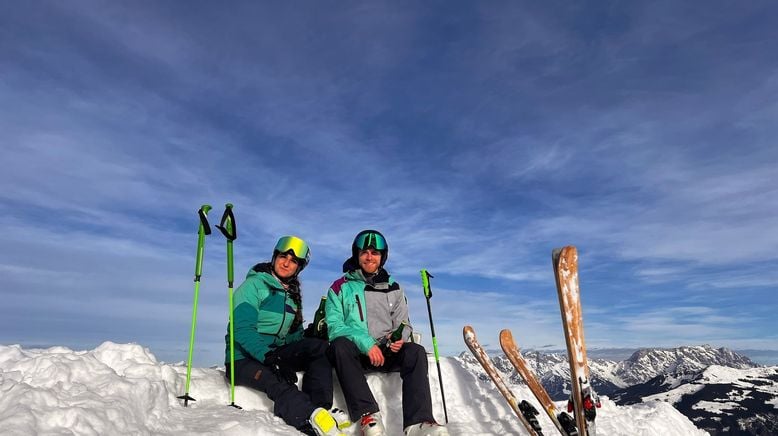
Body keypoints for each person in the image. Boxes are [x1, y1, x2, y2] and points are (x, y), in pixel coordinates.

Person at [325, 230, 449, 436]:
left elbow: (404, 323)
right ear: (357, 255)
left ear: (383, 256)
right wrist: (366, 343)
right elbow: (335, 326)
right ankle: (368, 415)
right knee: (339, 345)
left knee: (415, 352)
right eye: (365, 252)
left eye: (375, 252)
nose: (369, 256)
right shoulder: (340, 287)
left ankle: (418, 422)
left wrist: (399, 337)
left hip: (387, 351)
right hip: (356, 353)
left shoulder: (394, 288)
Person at [225, 235, 349, 436]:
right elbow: (241, 329)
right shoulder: (254, 286)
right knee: (277, 380)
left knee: (318, 348)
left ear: (298, 269)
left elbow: (291, 339)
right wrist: (268, 357)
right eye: (283, 257)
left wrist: (309, 336)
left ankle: (321, 408)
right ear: (275, 257)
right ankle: (308, 416)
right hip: (242, 359)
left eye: (293, 262)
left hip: (273, 354)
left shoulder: (291, 296)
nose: (286, 263)